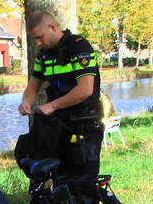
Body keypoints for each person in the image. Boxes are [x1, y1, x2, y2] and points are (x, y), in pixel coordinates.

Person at [17, 10, 103, 179]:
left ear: (52, 27)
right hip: (59, 127)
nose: (38, 42)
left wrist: (52, 105)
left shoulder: (78, 47)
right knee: (59, 180)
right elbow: (34, 85)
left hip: (85, 125)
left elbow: (85, 89)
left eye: (40, 37)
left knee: (82, 184)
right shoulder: (43, 56)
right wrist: (26, 101)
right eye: (34, 38)